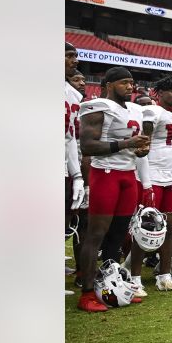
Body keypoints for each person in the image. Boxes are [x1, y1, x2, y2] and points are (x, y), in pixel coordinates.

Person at [76, 67, 150, 311]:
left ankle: (110, 288)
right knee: (96, 235)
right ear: (108, 85)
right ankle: (86, 293)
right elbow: (88, 145)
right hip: (105, 174)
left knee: (118, 235)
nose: (130, 87)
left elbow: (136, 146)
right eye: (124, 83)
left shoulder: (135, 110)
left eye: (131, 83)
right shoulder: (98, 106)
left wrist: (140, 149)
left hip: (128, 175)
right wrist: (128, 143)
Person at [138, 76, 172, 292]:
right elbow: (142, 147)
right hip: (153, 173)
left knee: (169, 228)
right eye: (171, 90)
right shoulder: (152, 112)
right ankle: (134, 278)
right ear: (158, 93)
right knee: (145, 228)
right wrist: (146, 183)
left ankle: (165, 277)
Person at [64, 44, 85, 284]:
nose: (75, 61)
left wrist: (77, 175)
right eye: (69, 56)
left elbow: (69, 137)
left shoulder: (72, 94)